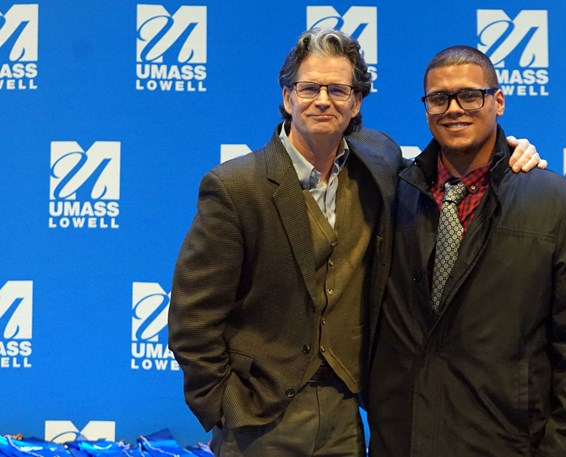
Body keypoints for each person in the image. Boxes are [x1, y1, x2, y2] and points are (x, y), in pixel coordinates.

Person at [168, 30, 543, 457]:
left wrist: (510, 152)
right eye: (309, 88)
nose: (323, 100)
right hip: (259, 418)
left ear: (356, 102)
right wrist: (224, 406)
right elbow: (191, 318)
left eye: (338, 89)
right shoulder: (236, 186)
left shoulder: (379, 160)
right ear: (288, 97)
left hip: (346, 414)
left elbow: (444, 168)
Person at [366, 45, 566, 457]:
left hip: (505, 443)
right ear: (426, 108)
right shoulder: (395, 192)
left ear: (498, 101)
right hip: (402, 441)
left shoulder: (558, 203)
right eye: (439, 98)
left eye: (470, 95)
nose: (454, 109)